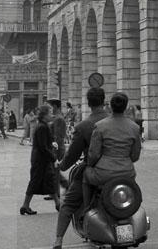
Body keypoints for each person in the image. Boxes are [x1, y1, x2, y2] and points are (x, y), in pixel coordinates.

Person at [52, 87, 109, 249]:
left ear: (88, 103)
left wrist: (62, 165)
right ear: (104, 101)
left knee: (68, 204)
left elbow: (72, 155)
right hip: (119, 172)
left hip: (93, 170)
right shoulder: (114, 122)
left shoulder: (84, 126)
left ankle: (58, 240)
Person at [83, 92, 142, 213]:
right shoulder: (134, 127)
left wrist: (90, 165)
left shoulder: (100, 126)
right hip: (127, 172)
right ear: (126, 107)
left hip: (103, 173)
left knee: (85, 174)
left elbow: (94, 154)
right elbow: (135, 156)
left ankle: (87, 207)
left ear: (110, 106)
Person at [20, 104, 56, 216]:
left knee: (49, 181)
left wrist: (51, 144)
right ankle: (25, 205)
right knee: (36, 181)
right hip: (40, 160)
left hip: (41, 159)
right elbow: (42, 146)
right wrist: (53, 157)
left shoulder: (43, 125)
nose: (52, 115)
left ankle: (58, 203)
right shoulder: (42, 127)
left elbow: (44, 143)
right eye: (50, 113)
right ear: (44, 115)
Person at [44, 98, 67, 210]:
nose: (50, 108)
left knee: (54, 170)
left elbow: (58, 136)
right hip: (55, 147)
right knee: (54, 170)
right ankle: (58, 189)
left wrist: (54, 150)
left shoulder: (58, 119)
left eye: (51, 106)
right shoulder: (56, 118)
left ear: (56, 106)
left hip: (57, 148)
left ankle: (58, 191)